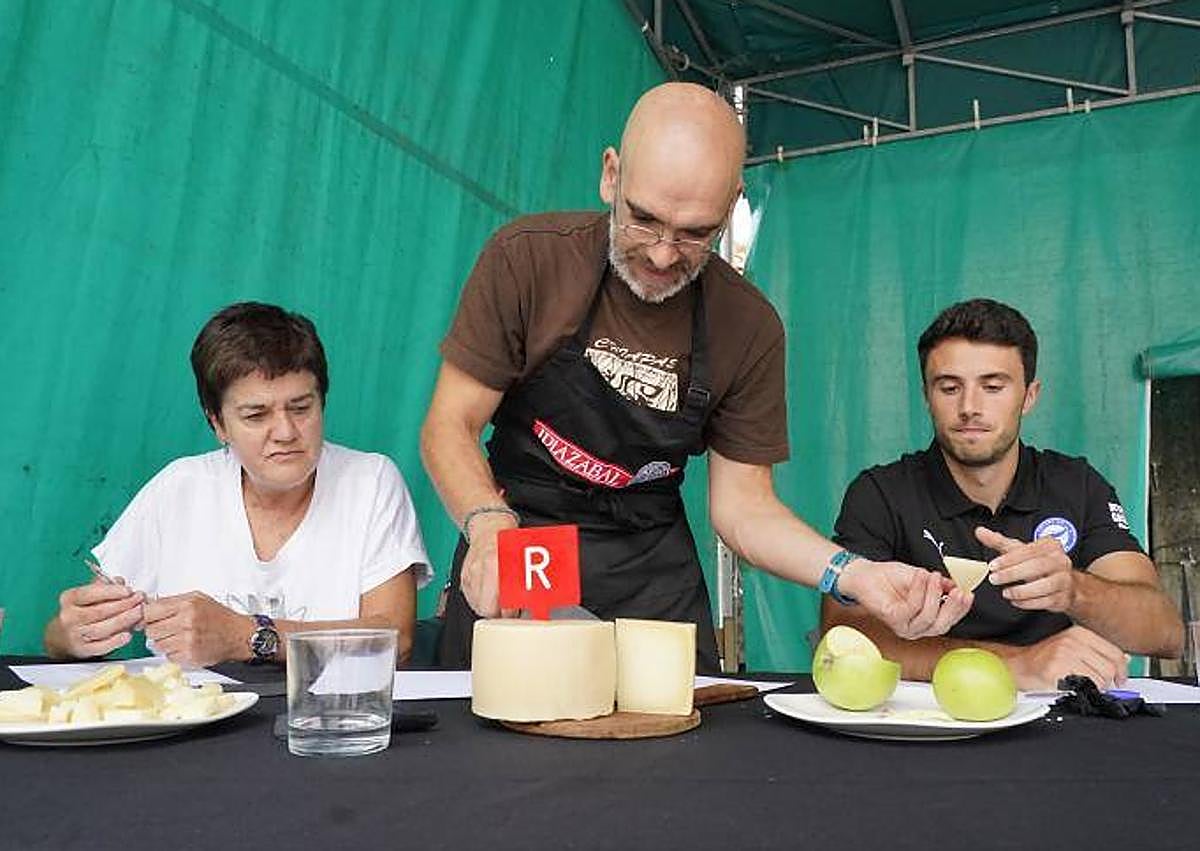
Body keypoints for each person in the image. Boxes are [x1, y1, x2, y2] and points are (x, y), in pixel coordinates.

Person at [421, 82, 970, 671]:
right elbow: (450, 425)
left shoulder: (748, 326)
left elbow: (744, 507)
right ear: (611, 175)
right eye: (643, 219)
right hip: (521, 535)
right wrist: (486, 522)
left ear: (732, 205)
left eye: (694, 233)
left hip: (648, 565)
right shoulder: (528, 260)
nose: (662, 255)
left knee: (682, 727)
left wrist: (854, 574)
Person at [823, 298, 1184, 688]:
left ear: (1029, 396)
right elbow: (841, 634)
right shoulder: (880, 493)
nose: (969, 407)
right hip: (925, 714)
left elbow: (1165, 632)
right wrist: (1021, 664)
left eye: (993, 387)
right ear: (927, 395)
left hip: (1058, 712)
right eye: (949, 387)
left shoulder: (1077, 484)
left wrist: (1073, 590)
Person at [44, 302, 431, 666]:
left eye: (301, 408)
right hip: (188, 711)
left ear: (322, 402)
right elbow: (59, 640)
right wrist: (74, 634)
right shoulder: (179, 488)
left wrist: (247, 635)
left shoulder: (370, 481)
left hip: (323, 712)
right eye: (256, 415)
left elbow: (394, 639)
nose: (285, 432)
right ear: (218, 424)